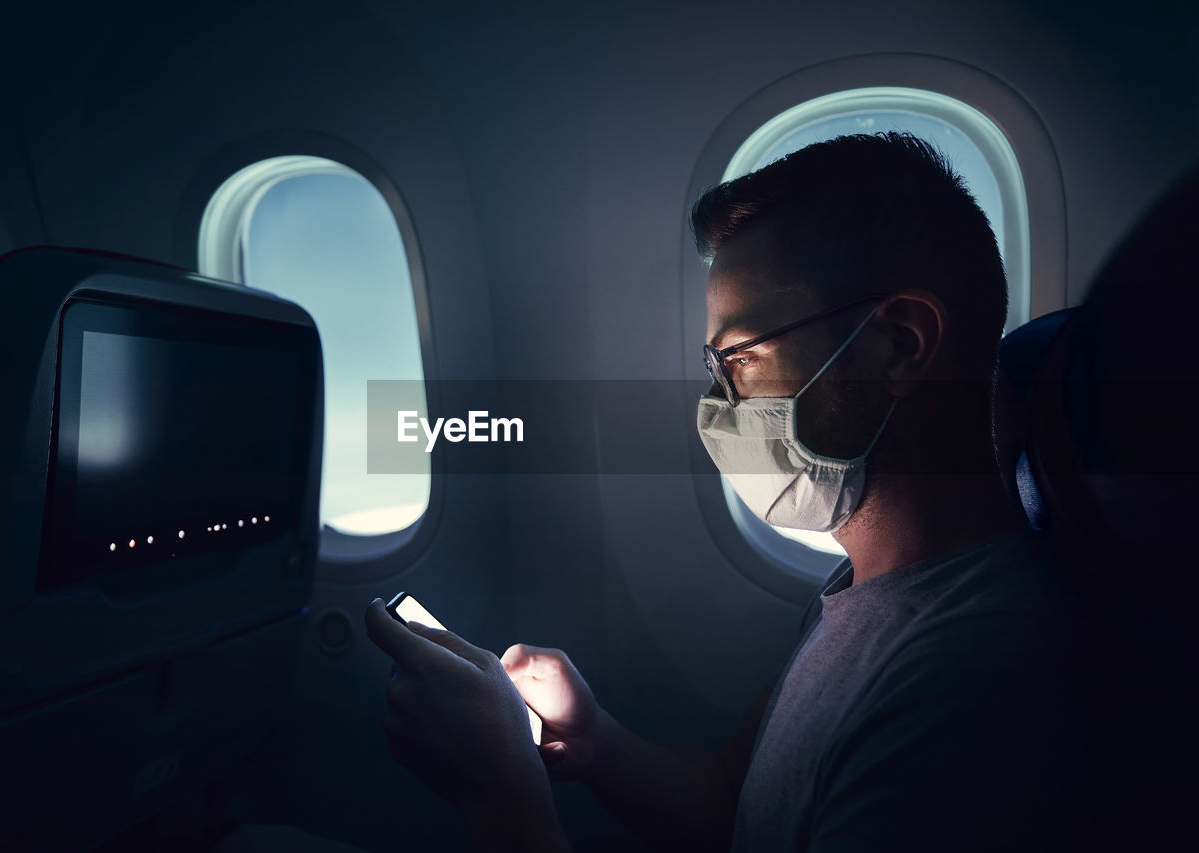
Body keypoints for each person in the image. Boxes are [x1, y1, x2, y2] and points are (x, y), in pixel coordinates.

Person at [364, 133, 1105, 852]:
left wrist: (499, 791)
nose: (718, 405)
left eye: (741, 359)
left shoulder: (976, 678)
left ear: (900, 344)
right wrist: (592, 738)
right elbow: (735, 803)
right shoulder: (863, 585)